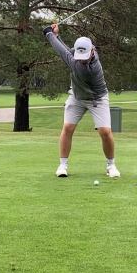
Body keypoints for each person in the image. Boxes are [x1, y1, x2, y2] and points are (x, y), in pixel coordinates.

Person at [43, 23, 120, 178]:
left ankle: (111, 165)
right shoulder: (81, 53)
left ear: (92, 51)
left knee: (105, 131)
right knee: (67, 128)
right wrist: (57, 36)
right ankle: (62, 165)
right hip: (77, 97)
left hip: (97, 98)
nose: (82, 60)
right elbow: (67, 51)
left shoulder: (87, 69)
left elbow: (63, 53)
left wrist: (49, 34)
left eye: (85, 57)